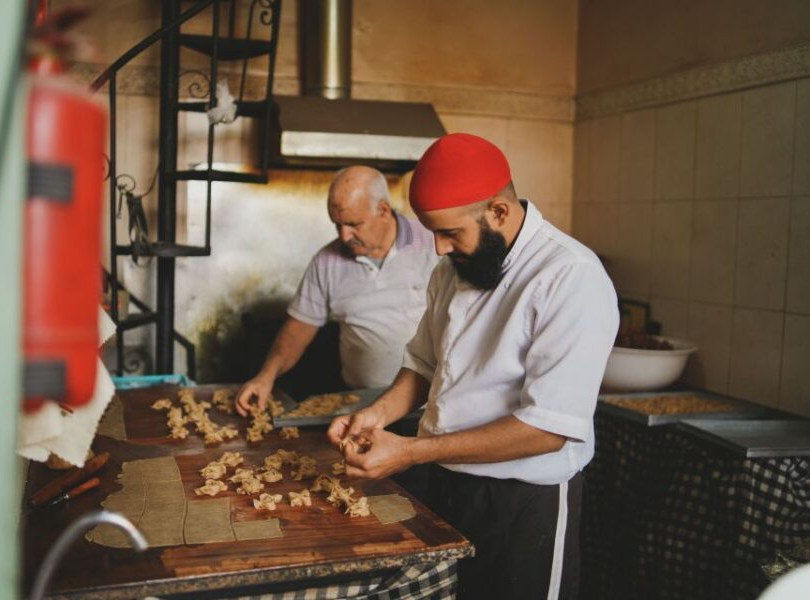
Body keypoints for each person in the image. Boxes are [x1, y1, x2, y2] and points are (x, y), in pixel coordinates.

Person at [327, 134, 619, 599]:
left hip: (524, 502)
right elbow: (422, 364)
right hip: (447, 486)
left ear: (498, 212)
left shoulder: (570, 276)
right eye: (432, 232)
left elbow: (548, 427)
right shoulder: (453, 269)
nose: (439, 249)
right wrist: (376, 416)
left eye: (449, 232)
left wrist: (409, 452)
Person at [236, 165, 438, 416]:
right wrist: (266, 376)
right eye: (337, 225)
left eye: (354, 224)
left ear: (383, 210)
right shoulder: (326, 261)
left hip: (429, 403)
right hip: (361, 404)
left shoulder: (434, 245)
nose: (344, 236)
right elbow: (297, 330)